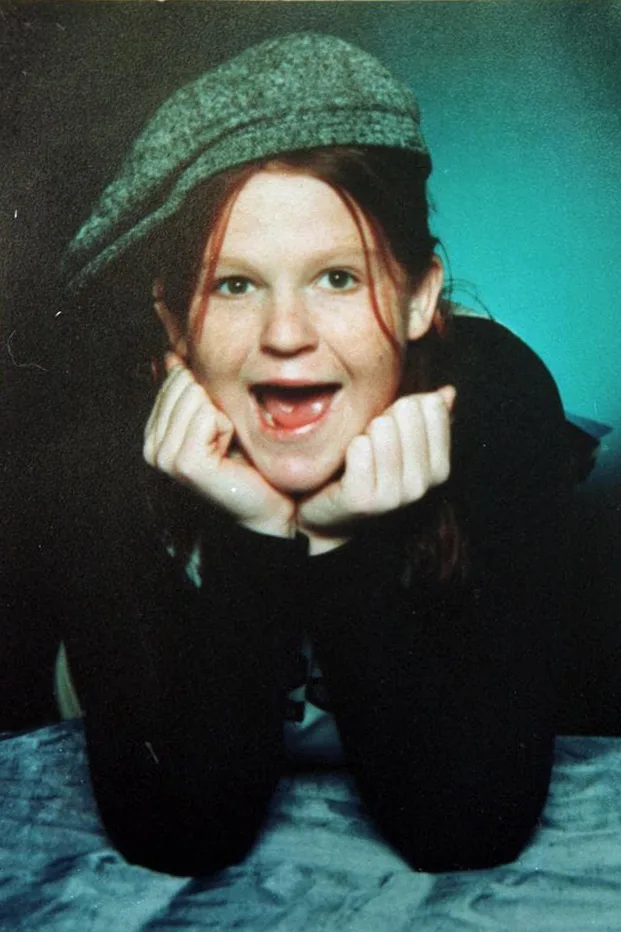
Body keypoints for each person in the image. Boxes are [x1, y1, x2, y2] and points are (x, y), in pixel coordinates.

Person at [54, 33, 569, 876]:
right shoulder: (103, 456)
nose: (285, 336)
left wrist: (334, 541)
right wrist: (257, 532)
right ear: (175, 322)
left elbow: (466, 830)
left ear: (418, 297)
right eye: (233, 284)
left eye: (338, 277)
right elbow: (181, 833)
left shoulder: (500, 406)